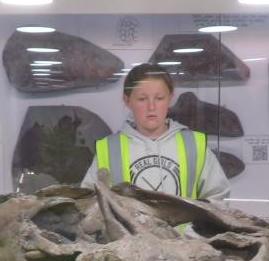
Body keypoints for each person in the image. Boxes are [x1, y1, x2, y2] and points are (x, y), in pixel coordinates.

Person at [82, 63, 230, 201]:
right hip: (128, 230)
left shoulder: (194, 145)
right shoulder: (108, 149)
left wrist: (192, 230)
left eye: (159, 98)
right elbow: (91, 202)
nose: (151, 106)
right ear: (127, 101)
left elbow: (217, 198)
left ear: (170, 98)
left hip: (183, 230)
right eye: (142, 99)